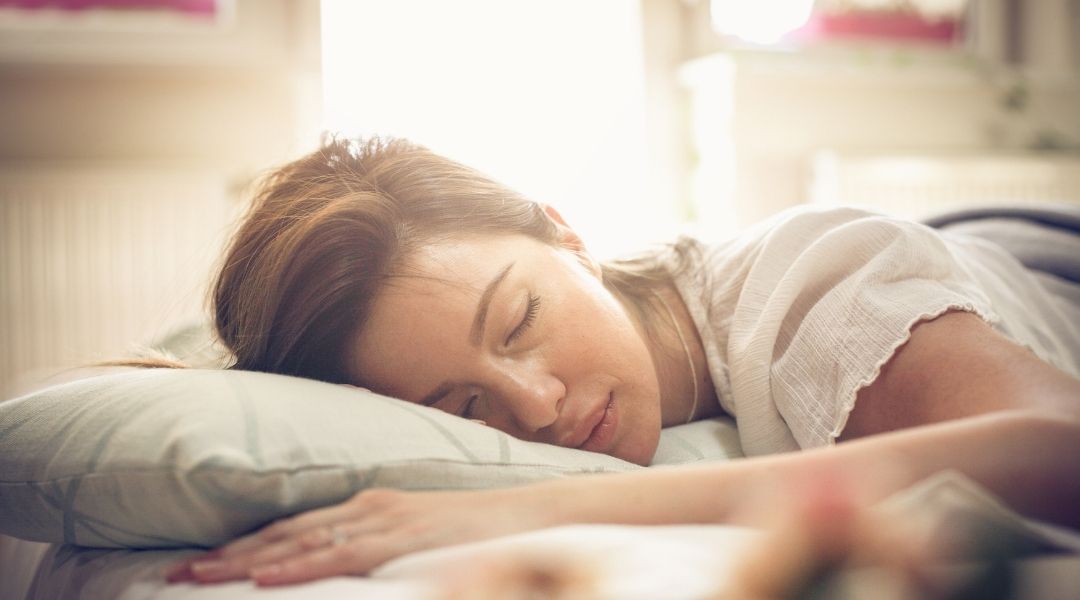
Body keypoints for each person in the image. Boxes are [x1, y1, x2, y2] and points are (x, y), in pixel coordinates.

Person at [165, 136, 1080, 589]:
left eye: (520, 319)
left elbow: (1061, 449)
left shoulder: (816, 287)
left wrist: (550, 503)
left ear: (567, 234)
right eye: (465, 406)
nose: (536, 406)